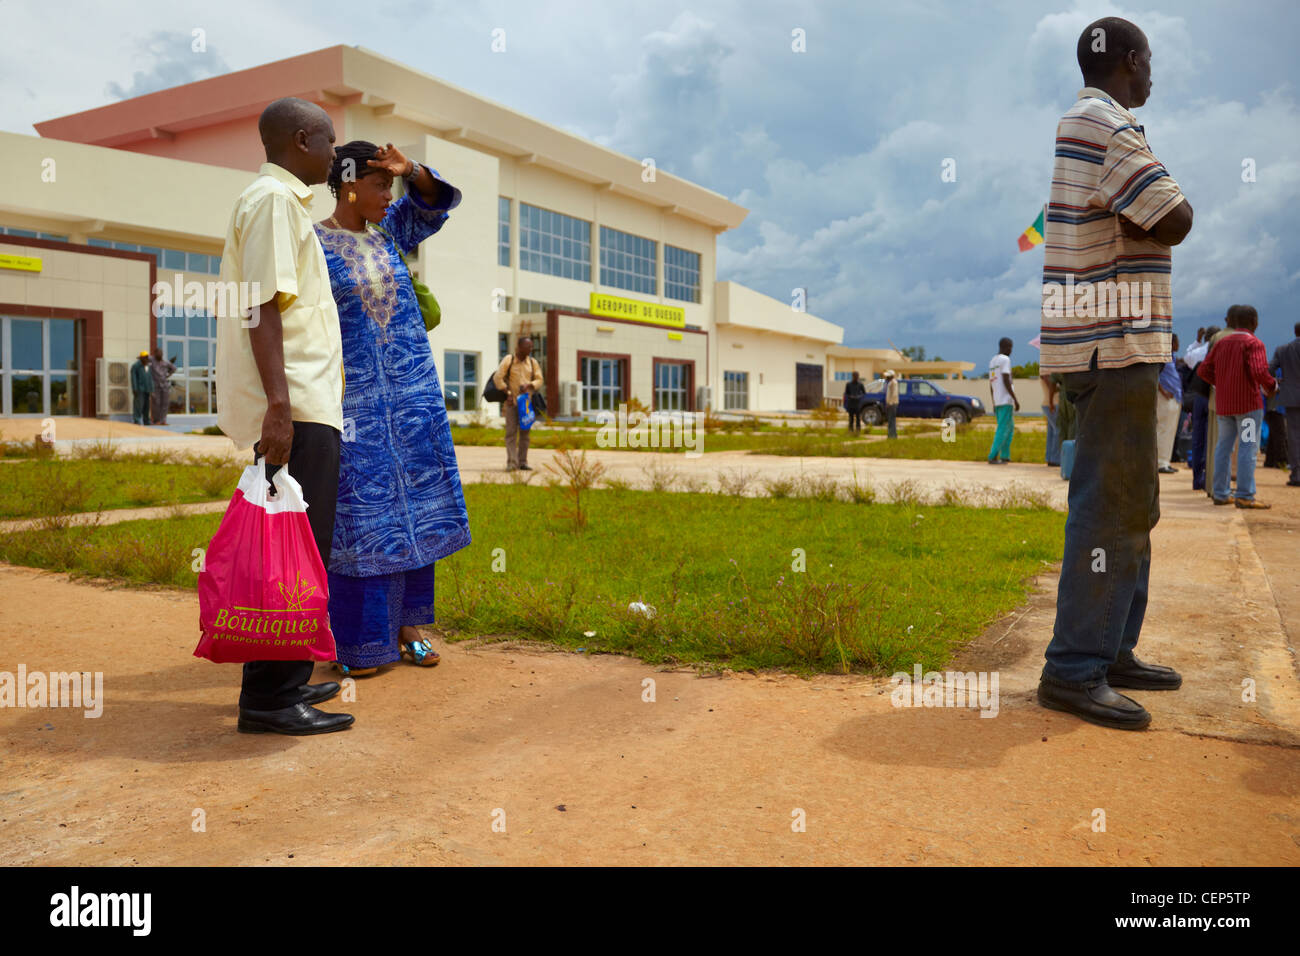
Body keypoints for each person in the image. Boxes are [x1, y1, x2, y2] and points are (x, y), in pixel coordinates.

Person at [1037, 17, 1194, 731]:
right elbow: (1176, 217)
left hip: (1107, 340)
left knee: (1131, 509)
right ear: (1130, 61)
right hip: (1115, 341)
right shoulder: (1109, 124)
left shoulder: (1087, 122)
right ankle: (1074, 669)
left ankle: (1111, 649)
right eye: (1149, 62)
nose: (1153, 75)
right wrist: (1161, 208)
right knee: (1109, 511)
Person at [214, 96, 353, 736]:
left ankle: (285, 682)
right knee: (288, 555)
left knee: (299, 550)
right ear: (302, 141)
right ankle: (271, 700)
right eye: (329, 143)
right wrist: (279, 408)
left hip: (305, 403)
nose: (335, 156)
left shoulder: (281, 204)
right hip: (295, 405)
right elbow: (262, 307)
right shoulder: (272, 203)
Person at [313, 140, 471, 677]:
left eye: (390, 184)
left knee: (417, 515)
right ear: (349, 184)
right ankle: (358, 643)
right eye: (380, 184)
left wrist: (411, 170)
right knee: (361, 521)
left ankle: (410, 627)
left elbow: (432, 203)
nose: (389, 194)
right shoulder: (312, 246)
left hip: (413, 402)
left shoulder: (389, 234)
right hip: (354, 408)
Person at [1198, 305, 1277, 508]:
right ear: (1253, 322)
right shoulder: (1253, 343)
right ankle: (1245, 494)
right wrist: (1272, 386)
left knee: (1223, 447)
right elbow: (1260, 371)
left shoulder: (1222, 343)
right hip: (1248, 407)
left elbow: (1204, 370)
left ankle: (1221, 493)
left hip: (1225, 406)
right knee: (1247, 448)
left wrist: (1220, 384)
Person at [492, 335, 544, 470]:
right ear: (519, 347)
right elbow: (498, 378)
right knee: (510, 434)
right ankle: (512, 463)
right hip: (511, 403)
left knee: (525, 435)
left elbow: (540, 379)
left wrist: (530, 385)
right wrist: (507, 392)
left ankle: (522, 462)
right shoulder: (509, 360)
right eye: (528, 346)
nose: (530, 349)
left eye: (531, 346)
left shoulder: (533, 363)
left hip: (526, 404)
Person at [1271, 321, 1300, 487]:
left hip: (1290, 397)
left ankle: (1296, 475)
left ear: (1295, 332)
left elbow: (1268, 370)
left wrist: (1276, 381)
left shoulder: (1282, 350)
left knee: (1294, 437)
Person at [986, 338, 1018, 463]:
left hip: (998, 400)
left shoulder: (992, 361)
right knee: (1002, 428)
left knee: (1009, 428)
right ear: (1004, 347)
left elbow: (991, 383)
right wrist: (1015, 399)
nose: (1011, 350)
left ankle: (1005, 455)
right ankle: (992, 456)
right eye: (1010, 347)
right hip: (1006, 400)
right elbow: (1006, 380)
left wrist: (993, 401)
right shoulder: (1005, 360)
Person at [1155, 334, 1182, 473]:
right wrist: (1163, 391)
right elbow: (1156, 375)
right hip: (1165, 397)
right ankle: (1160, 462)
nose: (1178, 345)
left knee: (1170, 430)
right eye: (1176, 342)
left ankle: (1166, 460)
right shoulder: (1162, 357)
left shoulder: (1171, 357)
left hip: (1174, 397)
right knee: (1163, 428)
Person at [149, 346, 177, 425]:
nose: (161, 355)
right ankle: (156, 420)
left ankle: (163, 420)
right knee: (156, 403)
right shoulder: (152, 360)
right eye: (159, 353)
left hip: (164, 385)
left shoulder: (165, 362)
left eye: (161, 353)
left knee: (165, 403)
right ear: (155, 354)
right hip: (155, 385)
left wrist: (168, 375)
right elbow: (144, 358)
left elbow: (174, 368)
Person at [1041, 372, 1060, 466]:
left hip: (1049, 403)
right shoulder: (1046, 371)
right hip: (1053, 404)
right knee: (1058, 430)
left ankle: (1049, 457)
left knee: (1051, 432)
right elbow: (1051, 386)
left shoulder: (1045, 369)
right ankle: (1055, 459)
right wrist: (1064, 387)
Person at [130, 350, 153, 425]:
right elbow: (133, 378)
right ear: (141, 358)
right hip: (139, 389)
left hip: (147, 389)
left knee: (147, 406)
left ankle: (146, 420)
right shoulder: (136, 366)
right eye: (145, 358)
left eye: (147, 357)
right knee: (138, 405)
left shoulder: (148, 366)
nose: (146, 359)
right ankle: (137, 419)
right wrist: (134, 388)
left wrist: (151, 389)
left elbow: (150, 378)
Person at [883, 369, 899, 438]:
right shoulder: (890, 382)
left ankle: (892, 435)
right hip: (891, 403)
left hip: (892, 404)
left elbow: (894, 394)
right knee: (890, 420)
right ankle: (891, 434)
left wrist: (890, 403)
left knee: (891, 420)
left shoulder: (893, 383)